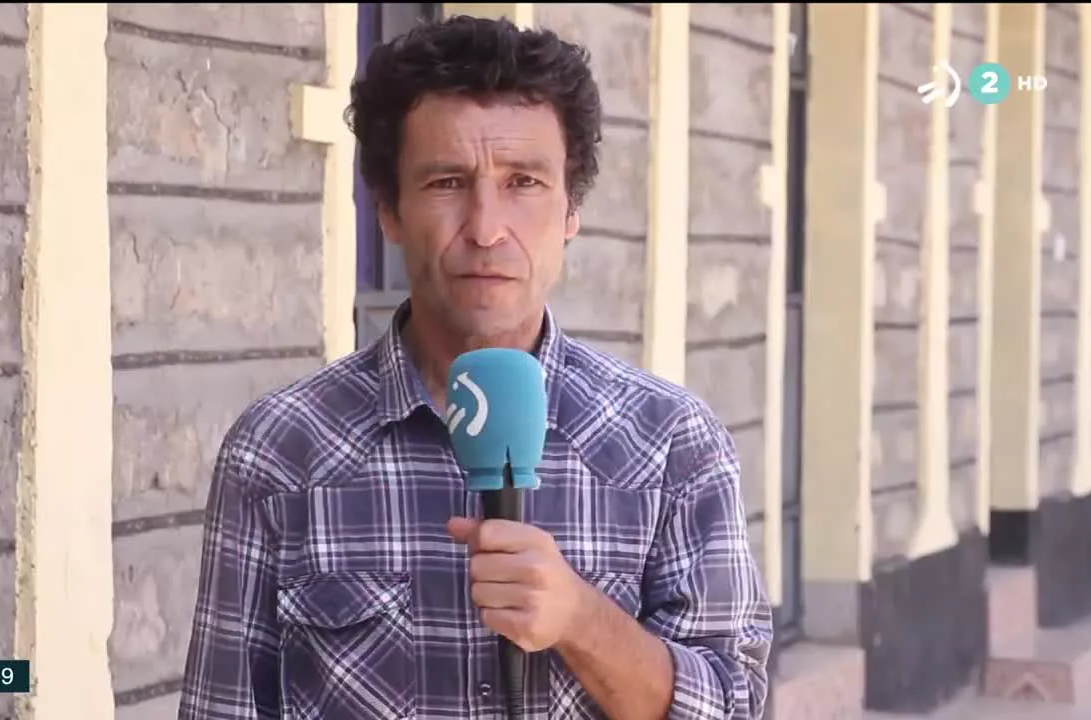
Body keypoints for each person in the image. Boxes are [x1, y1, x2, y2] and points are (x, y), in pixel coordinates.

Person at [179, 14, 772, 720]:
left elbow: (735, 703)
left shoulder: (671, 443)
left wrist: (582, 620)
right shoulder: (281, 450)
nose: (487, 229)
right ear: (388, 211)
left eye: (523, 182)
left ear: (571, 211)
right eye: (446, 182)